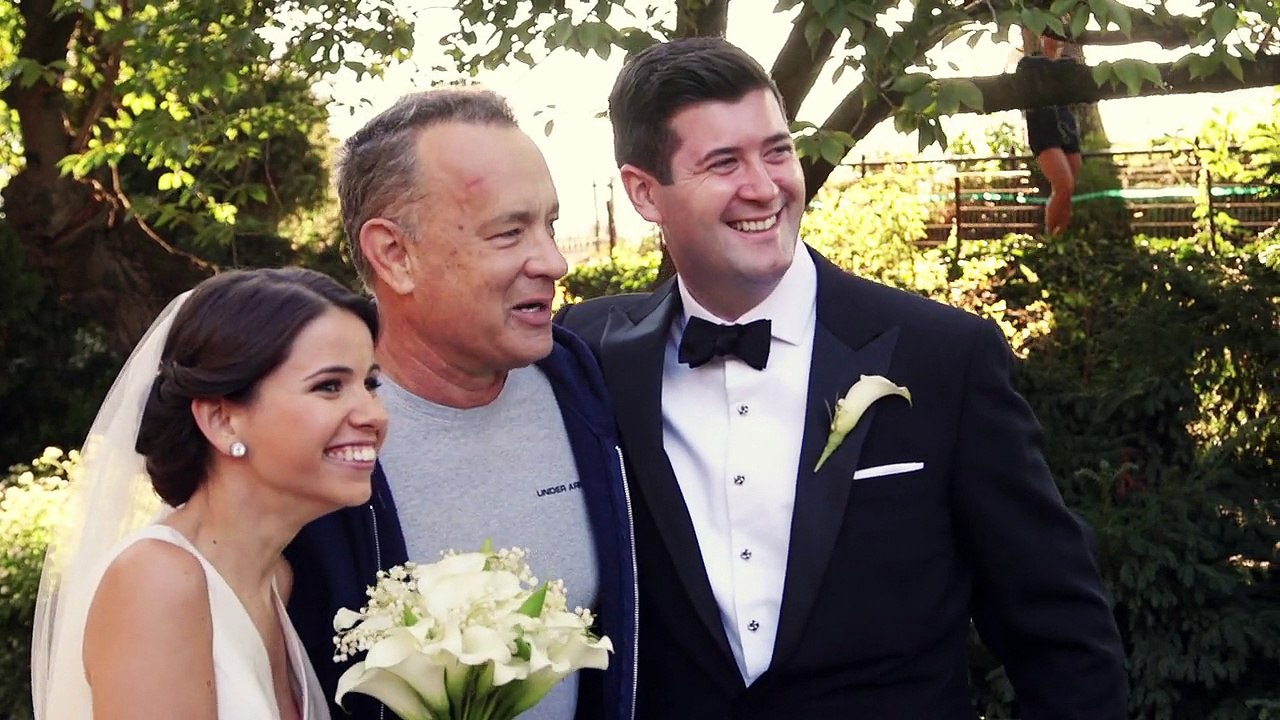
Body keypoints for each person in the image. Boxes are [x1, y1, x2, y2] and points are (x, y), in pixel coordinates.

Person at [557, 37, 1127, 718]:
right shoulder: (591, 361)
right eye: (723, 162)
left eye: (776, 150)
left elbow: (1062, 634)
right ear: (645, 192)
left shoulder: (945, 357)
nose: (765, 187)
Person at [284, 88, 637, 720]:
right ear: (394, 255)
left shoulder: (585, 384)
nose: (554, 262)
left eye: (549, 225)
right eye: (509, 232)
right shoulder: (310, 441)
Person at [30, 267, 387, 719]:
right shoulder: (158, 581)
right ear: (222, 420)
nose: (372, 414)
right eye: (329, 386)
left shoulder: (276, 579)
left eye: (371, 384)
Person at [1019, 28, 1084, 235]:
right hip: (1043, 129)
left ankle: (1063, 236)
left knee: (1069, 191)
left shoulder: (1069, 66)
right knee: (1063, 185)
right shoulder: (1030, 64)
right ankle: (1051, 239)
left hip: (1065, 125)